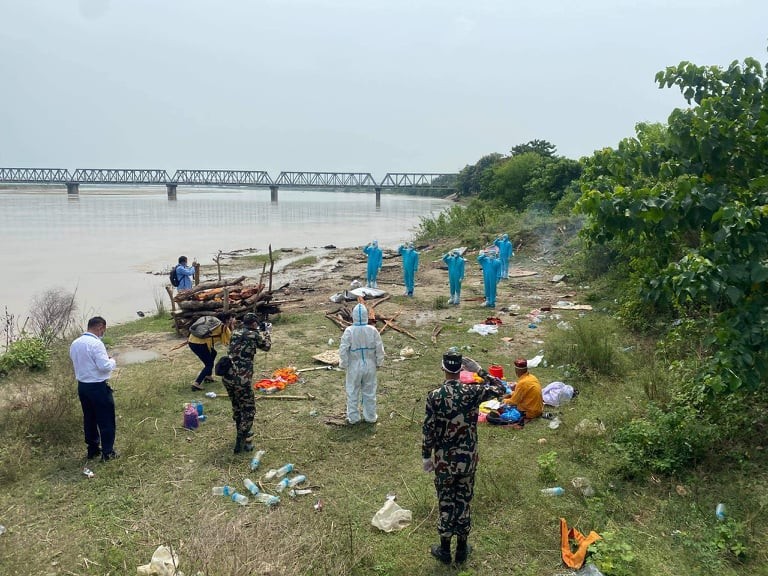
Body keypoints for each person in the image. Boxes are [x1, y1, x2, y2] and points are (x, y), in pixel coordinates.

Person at [422, 349, 507, 564]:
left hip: (444, 461)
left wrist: (426, 456)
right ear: (461, 369)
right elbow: (501, 388)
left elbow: (428, 429)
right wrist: (480, 370)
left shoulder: (434, 396)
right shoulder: (473, 392)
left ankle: (444, 550)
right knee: (463, 500)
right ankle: (461, 550)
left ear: (443, 368)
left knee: (446, 502)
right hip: (467, 459)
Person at [69, 316, 119, 461]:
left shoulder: (75, 343)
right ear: (99, 327)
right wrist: (112, 361)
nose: (103, 332)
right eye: (103, 329)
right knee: (106, 419)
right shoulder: (96, 344)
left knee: (89, 418)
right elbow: (104, 367)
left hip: (83, 386)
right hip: (97, 386)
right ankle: (108, 452)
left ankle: (93, 449)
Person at [221, 312, 272, 453]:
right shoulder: (254, 335)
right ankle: (241, 441)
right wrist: (267, 333)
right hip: (241, 380)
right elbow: (267, 347)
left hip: (227, 377)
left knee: (237, 407)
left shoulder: (235, 333)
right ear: (254, 323)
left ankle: (242, 432)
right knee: (249, 411)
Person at [338, 303, 385, 424]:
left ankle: (353, 417)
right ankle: (370, 416)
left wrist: (343, 363)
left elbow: (343, 349)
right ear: (366, 316)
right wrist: (379, 362)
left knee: (352, 391)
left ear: (354, 316)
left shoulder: (349, 331)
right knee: (369, 391)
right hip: (370, 364)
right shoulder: (373, 330)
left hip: (354, 365)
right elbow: (379, 348)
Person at [188, 312, 235, 391]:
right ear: (227, 320)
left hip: (192, 341)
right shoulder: (223, 327)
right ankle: (196, 383)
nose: (232, 320)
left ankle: (208, 377)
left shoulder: (213, 323)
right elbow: (229, 340)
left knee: (213, 353)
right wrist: (232, 327)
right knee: (209, 364)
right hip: (200, 344)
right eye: (231, 319)